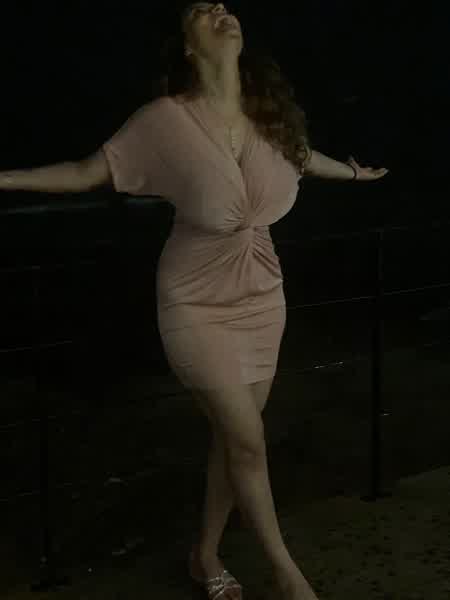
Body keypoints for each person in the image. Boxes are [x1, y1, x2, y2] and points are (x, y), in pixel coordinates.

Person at [0, 4, 389, 599]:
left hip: (263, 297)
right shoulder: (164, 121)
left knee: (233, 441)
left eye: (225, 7)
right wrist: (4, 179)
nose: (220, 11)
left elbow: (306, 158)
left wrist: (357, 176)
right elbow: (84, 172)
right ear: (188, 47)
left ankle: (204, 556)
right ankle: (288, 577)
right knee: (248, 440)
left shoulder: (269, 117)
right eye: (204, 12)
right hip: (195, 304)